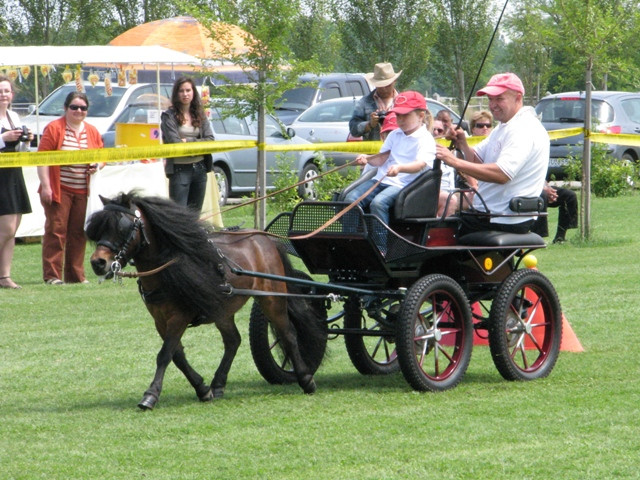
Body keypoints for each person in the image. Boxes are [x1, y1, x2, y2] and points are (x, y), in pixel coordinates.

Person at [435, 72, 549, 235]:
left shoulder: (523, 129)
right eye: (490, 99)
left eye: (499, 99)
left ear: (518, 98)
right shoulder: (504, 127)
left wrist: (454, 161)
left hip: (504, 219)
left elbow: (502, 174)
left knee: (437, 234)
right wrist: (462, 144)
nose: (492, 104)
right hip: (491, 215)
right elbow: (477, 161)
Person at [345, 91, 456, 225]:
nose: (400, 119)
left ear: (421, 116)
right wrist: (367, 159)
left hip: (406, 184)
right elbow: (381, 158)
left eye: (405, 115)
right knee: (350, 199)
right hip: (382, 180)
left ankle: (381, 244)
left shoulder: (426, 139)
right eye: (398, 115)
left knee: (378, 203)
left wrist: (400, 168)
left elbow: (420, 165)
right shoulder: (394, 135)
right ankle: (352, 238)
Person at [37, 91, 102, 285]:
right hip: (60, 189)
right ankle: (52, 275)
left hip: (83, 190)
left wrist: (96, 165)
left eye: (83, 108)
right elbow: (42, 159)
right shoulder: (54, 128)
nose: (78, 111)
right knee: (56, 231)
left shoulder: (92, 131)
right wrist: (47, 187)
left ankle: (75, 275)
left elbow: (101, 155)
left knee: (78, 233)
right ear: (66, 108)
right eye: (74, 107)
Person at [161, 77, 215, 212]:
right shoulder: (169, 116)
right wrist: (198, 146)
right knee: (179, 216)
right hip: (180, 169)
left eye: (188, 90)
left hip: (200, 169)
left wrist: (188, 142)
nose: (185, 94)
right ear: (176, 94)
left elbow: (210, 140)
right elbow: (176, 144)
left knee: (194, 216)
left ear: (193, 92)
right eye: (181, 91)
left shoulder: (200, 114)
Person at [0, 75, 33, 289]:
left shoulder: (14, 116)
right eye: (0, 91)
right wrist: (4, 139)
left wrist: (25, 140)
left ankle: (5, 276)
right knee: (6, 228)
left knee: (14, 228)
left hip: (14, 173)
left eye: (6, 91)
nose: (3, 95)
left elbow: (22, 150)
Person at [349, 63, 402, 141]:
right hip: (374, 152)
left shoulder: (404, 102)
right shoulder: (364, 102)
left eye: (387, 85)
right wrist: (369, 124)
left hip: (400, 151)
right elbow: (353, 129)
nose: (383, 88)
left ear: (394, 81)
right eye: (380, 85)